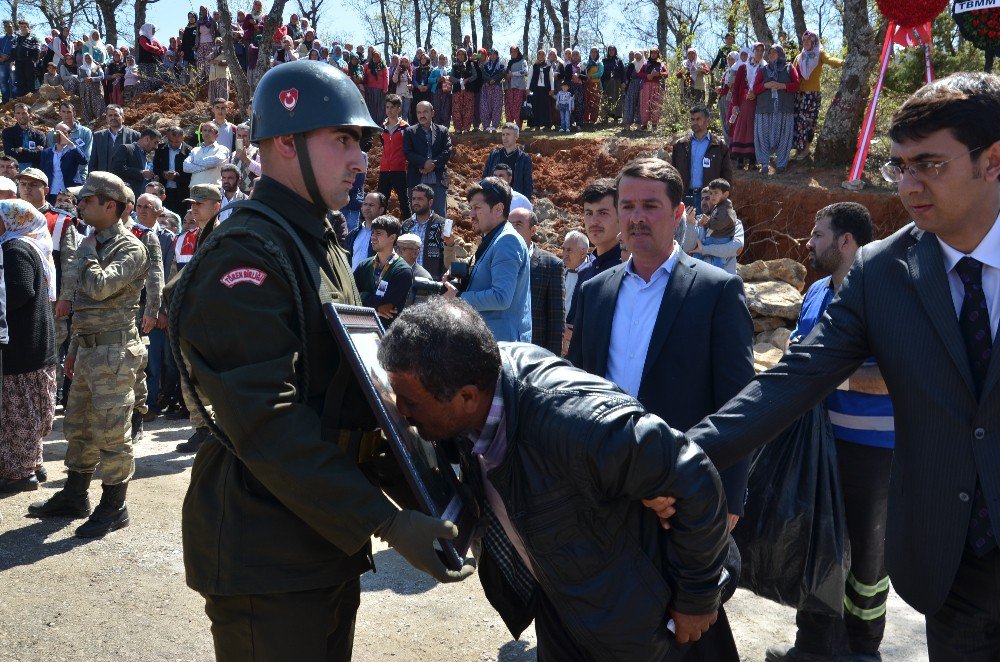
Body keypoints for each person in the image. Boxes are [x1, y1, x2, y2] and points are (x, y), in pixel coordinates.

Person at [642, 72, 1000, 662]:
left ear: (992, 161)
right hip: (953, 565)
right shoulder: (884, 273)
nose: (909, 185)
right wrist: (675, 457)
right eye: (899, 166)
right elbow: (793, 379)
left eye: (929, 164)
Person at [169, 60, 473, 659]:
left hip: (319, 541)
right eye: (342, 139)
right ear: (283, 143)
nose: (362, 159)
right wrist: (386, 522)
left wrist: (428, 490)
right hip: (267, 550)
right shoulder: (248, 254)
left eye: (361, 142)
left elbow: (353, 393)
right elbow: (266, 422)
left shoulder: (316, 241)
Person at [379, 298, 731, 659]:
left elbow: (695, 478)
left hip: (639, 628)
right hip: (562, 604)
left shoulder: (576, 424)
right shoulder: (477, 376)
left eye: (412, 404)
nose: (402, 412)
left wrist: (698, 597)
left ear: (467, 397)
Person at [567, 159, 754, 608]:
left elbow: (740, 403)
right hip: (603, 483)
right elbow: (574, 391)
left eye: (650, 205)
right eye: (627, 205)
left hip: (681, 489)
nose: (635, 217)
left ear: (679, 213)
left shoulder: (715, 291)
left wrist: (730, 495)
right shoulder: (595, 291)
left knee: (678, 618)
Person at [761, 202, 894, 662]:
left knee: (867, 557)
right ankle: (814, 647)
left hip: (873, 451)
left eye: (818, 235)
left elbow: (895, 378)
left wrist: (828, 377)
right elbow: (800, 359)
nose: (809, 242)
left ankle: (862, 651)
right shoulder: (817, 291)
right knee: (817, 545)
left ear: (846, 241)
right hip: (819, 445)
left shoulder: (888, 295)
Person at [27, 172, 149, 539]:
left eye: (86, 200)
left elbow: (97, 288)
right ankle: (75, 495)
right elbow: (82, 304)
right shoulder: (93, 241)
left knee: (112, 433)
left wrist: (87, 250)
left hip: (114, 353)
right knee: (78, 426)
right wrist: (76, 348)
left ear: (109, 206)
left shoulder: (129, 247)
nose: (78, 206)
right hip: (89, 347)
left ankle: (115, 505)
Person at [0, 199, 57, 493]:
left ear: (12, 220)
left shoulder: (15, 249)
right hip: (35, 346)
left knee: (18, 411)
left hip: (21, 346)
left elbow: (20, 291)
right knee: (31, 410)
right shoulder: (31, 244)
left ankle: (20, 474)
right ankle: (32, 463)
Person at [442, 177, 531, 342]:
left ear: (498, 209)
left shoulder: (506, 241)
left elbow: (501, 297)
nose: (471, 215)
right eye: (471, 208)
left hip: (503, 346)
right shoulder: (493, 238)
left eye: (477, 208)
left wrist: (458, 297)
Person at [170, 184, 222, 454]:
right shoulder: (184, 238)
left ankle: (218, 429)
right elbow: (172, 277)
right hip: (187, 317)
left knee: (212, 374)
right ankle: (202, 428)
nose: (193, 208)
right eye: (192, 203)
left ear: (217, 206)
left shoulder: (227, 237)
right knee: (188, 373)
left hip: (215, 319)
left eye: (200, 203)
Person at [509, 208, 564, 355]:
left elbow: (556, 319)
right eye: (509, 225)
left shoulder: (551, 264)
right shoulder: (498, 258)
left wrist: (553, 361)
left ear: (532, 230)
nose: (512, 229)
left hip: (534, 351)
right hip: (503, 346)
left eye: (518, 224)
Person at [671, 105, 735, 213]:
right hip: (685, 197)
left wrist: (722, 199)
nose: (694, 122)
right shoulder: (680, 145)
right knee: (685, 229)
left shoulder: (719, 146)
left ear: (707, 121)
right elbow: (673, 173)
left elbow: (726, 175)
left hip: (709, 198)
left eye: (698, 119)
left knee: (707, 229)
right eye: (692, 119)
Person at [791, 31, 842, 161]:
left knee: (809, 122)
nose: (806, 42)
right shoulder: (799, 57)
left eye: (809, 40)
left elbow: (830, 60)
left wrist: (843, 62)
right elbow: (793, 74)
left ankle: (806, 149)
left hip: (812, 94)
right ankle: (799, 149)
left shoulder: (819, 54)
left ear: (814, 41)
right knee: (798, 121)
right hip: (799, 95)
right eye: (804, 40)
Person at [353, 214, 412, 325]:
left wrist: (362, 298)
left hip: (388, 334)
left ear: (392, 237)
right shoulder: (363, 266)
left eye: (378, 233)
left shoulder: (403, 271)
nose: (373, 237)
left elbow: (387, 306)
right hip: (361, 328)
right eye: (373, 233)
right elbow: (350, 296)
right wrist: (375, 307)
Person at [753, 45, 800, 174]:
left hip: (784, 109)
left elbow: (796, 85)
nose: (771, 55)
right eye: (770, 53)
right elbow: (755, 88)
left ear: (780, 53)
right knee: (763, 136)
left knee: (784, 137)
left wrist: (783, 86)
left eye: (774, 52)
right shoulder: (763, 70)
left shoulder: (790, 68)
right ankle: (764, 164)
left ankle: (781, 164)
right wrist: (765, 85)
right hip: (765, 109)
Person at [403, 101, 451, 217]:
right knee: (417, 218)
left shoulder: (442, 131)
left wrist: (432, 164)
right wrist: (423, 163)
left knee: (439, 217)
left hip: (438, 181)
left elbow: (447, 151)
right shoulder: (410, 131)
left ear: (432, 113)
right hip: (416, 180)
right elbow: (408, 152)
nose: (422, 115)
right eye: (419, 112)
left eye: (425, 112)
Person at [400, 183, 447, 280]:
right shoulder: (406, 225)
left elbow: (447, 256)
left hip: (431, 281)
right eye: (414, 199)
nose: (416, 202)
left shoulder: (441, 224)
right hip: (406, 279)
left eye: (420, 199)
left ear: (430, 202)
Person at [378, 94, 411, 221]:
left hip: (399, 170)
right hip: (384, 170)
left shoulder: (405, 127)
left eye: (392, 107)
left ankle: (408, 228)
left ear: (399, 109)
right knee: (381, 202)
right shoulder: (382, 128)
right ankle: (380, 228)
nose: (389, 110)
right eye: (387, 107)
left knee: (404, 201)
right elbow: (384, 144)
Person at [693, 178, 737, 271]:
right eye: (711, 193)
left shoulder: (725, 209)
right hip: (717, 238)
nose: (713, 196)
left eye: (716, 193)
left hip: (720, 239)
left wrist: (707, 222)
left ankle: (693, 268)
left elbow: (718, 224)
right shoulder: (720, 206)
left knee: (699, 254)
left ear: (725, 194)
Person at [482, 123, 533, 199]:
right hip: (494, 197)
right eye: (503, 135)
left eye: (508, 134)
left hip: (513, 199)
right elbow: (485, 177)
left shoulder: (524, 158)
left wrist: (524, 202)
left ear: (516, 137)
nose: (505, 138)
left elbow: (528, 184)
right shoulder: (494, 155)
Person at [40, 123, 88, 204]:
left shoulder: (74, 150)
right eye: (57, 132)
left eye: (63, 133)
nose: (60, 135)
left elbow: (84, 161)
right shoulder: (47, 152)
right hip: (52, 192)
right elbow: (43, 171)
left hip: (70, 192)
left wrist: (70, 144)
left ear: (70, 135)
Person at [110, 127, 162, 202]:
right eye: (155, 142)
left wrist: (151, 178)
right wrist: (141, 173)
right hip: (126, 198)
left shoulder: (145, 154)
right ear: (147, 139)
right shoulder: (126, 148)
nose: (156, 147)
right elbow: (116, 169)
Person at [152, 126, 193, 215]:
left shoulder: (190, 152)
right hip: (164, 191)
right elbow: (155, 168)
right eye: (170, 141)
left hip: (182, 193)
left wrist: (177, 177)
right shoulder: (160, 149)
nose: (174, 144)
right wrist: (163, 173)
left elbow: (192, 174)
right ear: (167, 137)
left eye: (177, 142)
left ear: (183, 138)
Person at [50, 102, 93, 183]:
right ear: (60, 113)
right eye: (63, 112)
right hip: (60, 175)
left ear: (74, 113)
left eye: (69, 112)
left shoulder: (86, 132)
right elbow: (53, 154)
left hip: (80, 175)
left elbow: (87, 155)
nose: (66, 114)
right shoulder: (52, 133)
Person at [90, 105, 139, 173]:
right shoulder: (98, 136)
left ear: (123, 118)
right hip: (104, 179)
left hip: (126, 180)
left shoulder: (135, 135)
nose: (113, 118)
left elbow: (138, 162)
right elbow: (93, 161)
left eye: (116, 115)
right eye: (110, 115)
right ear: (106, 118)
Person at [182, 121, 230, 187]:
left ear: (217, 135)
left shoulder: (222, 149)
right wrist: (207, 167)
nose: (207, 133)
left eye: (210, 131)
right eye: (205, 130)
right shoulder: (195, 150)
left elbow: (214, 162)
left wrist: (194, 162)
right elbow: (186, 167)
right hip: (195, 189)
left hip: (213, 189)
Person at [561, 229, 591, 329]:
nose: (565, 254)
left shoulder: (593, 275)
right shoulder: (559, 271)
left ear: (583, 253)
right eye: (563, 249)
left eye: (569, 250)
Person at [347, 191, 384, 271]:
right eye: (365, 204)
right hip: (353, 281)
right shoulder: (352, 235)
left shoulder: (385, 236)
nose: (367, 207)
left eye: (371, 205)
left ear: (381, 210)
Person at [3, 102, 47, 169]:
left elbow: (40, 156)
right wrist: (33, 152)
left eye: (24, 113)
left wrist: (22, 150)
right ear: (14, 115)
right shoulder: (8, 133)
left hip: (34, 172)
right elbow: (10, 155)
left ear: (30, 115)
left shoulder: (39, 135)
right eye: (18, 113)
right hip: (14, 171)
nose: (21, 116)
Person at [639, 49, 668, 131]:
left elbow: (667, 74)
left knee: (656, 103)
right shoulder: (645, 63)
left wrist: (659, 74)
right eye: (652, 53)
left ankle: (654, 124)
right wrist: (647, 75)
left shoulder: (661, 64)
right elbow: (639, 73)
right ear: (650, 54)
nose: (654, 54)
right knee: (645, 103)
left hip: (657, 85)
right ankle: (644, 124)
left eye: (655, 53)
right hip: (646, 86)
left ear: (658, 54)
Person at [527, 50, 555, 130]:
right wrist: (527, 89)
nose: (542, 56)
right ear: (538, 55)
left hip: (546, 90)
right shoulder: (534, 66)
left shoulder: (549, 66)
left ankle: (546, 125)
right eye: (540, 54)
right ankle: (536, 125)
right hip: (535, 89)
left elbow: (551, 78)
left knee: (545, 107)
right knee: (535, 106)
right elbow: (529, 77)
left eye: (543, 54)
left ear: (545, 56)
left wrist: (552, 89)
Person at [479, 49, 505, 132]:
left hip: (496, 87)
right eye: (491, 54)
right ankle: (486, 126)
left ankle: (494, 126)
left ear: (497, 55)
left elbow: (502, 73)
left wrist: (494, 79)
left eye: (494, 54)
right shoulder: (485, 65)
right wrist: (489, 80)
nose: (493, 56)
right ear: (489, 55)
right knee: (484, 107)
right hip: (486, 88)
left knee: (496, 107)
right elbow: (483, 74)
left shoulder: (501, 64)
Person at [12, 20, 39, 98]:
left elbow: (37, 51)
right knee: (20, 81)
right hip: (18, 62)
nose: (23, 28)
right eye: (21, 27)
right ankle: (21, 99)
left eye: (24, 27)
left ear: (28, 28)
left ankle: (30, 99)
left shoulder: (33, 39)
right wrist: (12, 61)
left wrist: (34, 60)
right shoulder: (17, 39)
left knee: (30, 80)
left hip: (29, 62)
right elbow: (13, 51)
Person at [600, 45, 626, 124]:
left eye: (613, 50)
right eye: (610, 50)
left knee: (617, 99)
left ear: (615, 51)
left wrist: (623, 82)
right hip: (606, 82)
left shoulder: (619, 61)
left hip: (617, 82)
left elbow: (623, 73)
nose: (611, 51)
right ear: (608, 51)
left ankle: (616, 118)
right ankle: (605, 118)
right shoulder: (604, 61)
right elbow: (601, 72)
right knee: (606, 99)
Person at [504, 46, 529, 128]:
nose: (513, 53)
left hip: (519, 87)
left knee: (517, 107)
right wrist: (506, 76)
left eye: (515, 51)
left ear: (518, 52)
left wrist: (512, 74)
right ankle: (509, 126)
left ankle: (518, 126)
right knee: (509, 107)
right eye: (512, 51)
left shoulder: (523, 61)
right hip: (509, 87)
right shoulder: (509, 62)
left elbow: (525, 71)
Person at [362, 50, 389, 126]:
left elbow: (386, 77)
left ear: (380, 57)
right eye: (374, 56)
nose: (375, 58)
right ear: (372, 57)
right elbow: (364, 76)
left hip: (380, 90)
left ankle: (380, 125)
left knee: (380, 108)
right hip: (369, 90)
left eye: (377, 56)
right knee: (371, 107)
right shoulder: (367, 65)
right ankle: (371, 124)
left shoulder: (383, 66)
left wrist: (385, 89)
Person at [0, 20, 14, 104]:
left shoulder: (17, 38)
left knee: (13, 82)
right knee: (2, 82)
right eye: (6, 26)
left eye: (9, 26)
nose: (8, 28)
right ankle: (5, 101)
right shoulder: (1, 38)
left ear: (12, 26)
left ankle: (13, 100)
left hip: (13, 63)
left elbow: (18, 50)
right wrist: (1, 56)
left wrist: (8, 56)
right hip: (2, 64)